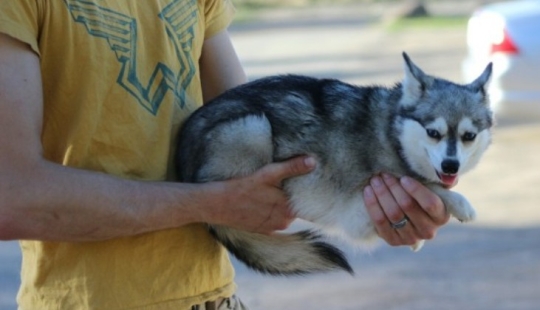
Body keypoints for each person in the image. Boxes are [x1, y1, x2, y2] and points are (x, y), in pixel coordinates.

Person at [0, 0, 450, 309]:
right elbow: (12, 197)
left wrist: (383, 198)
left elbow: (264, 142)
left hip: (215, 299)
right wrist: (210, 203)